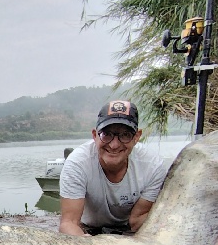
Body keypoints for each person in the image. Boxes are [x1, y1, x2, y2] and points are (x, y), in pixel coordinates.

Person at [58, 100, 167, 236]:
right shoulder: (77, 164)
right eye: (106, 134)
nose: (114, 145)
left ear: (137, 137)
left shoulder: (153, 166)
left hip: (131, 231)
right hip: (87, 229)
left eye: (125, 135)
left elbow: (137, 220)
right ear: (95, 135)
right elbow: (69, 223)